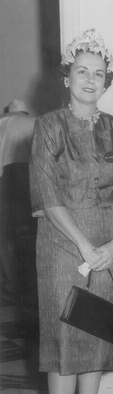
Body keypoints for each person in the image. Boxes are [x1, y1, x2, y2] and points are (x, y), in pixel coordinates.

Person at [29, 29, 113, 394]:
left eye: (98, 74)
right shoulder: (48, 125)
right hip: (61, 247)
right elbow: (47, 195)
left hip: (109, 249)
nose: (90, 80)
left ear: (106, 81)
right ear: (67, 77)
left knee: (95, 341)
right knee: (64, 348)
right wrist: (84, 243)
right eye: (81, 72)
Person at [0, 101, 35, 305]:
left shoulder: (3, 120)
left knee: (4, 233)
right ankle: (28, 286)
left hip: (6, 176)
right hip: (30, 175)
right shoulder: (34, 120)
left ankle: (12, 285)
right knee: (27, 232)